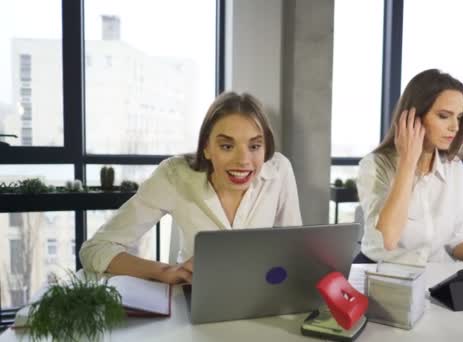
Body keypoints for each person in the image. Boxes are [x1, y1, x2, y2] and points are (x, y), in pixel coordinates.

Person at [80, 92, 302, 283]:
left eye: (254, 146)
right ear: (206, 148)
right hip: (192, 301)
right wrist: (164, 271)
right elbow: (95, 249)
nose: (243, 160)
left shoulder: (280, 170)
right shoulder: (174, 175)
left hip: (261, 302)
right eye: (226, 146)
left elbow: (294, 253)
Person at [357, 69, 463, 267]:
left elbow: (456, 238)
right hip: (381, 273)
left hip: (432, 275)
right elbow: (388, 240)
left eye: (458, 117)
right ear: (413, 117)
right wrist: (407, 162)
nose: (455, 127)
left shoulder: (454, 168)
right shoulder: (375, 165)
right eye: (444, 116)